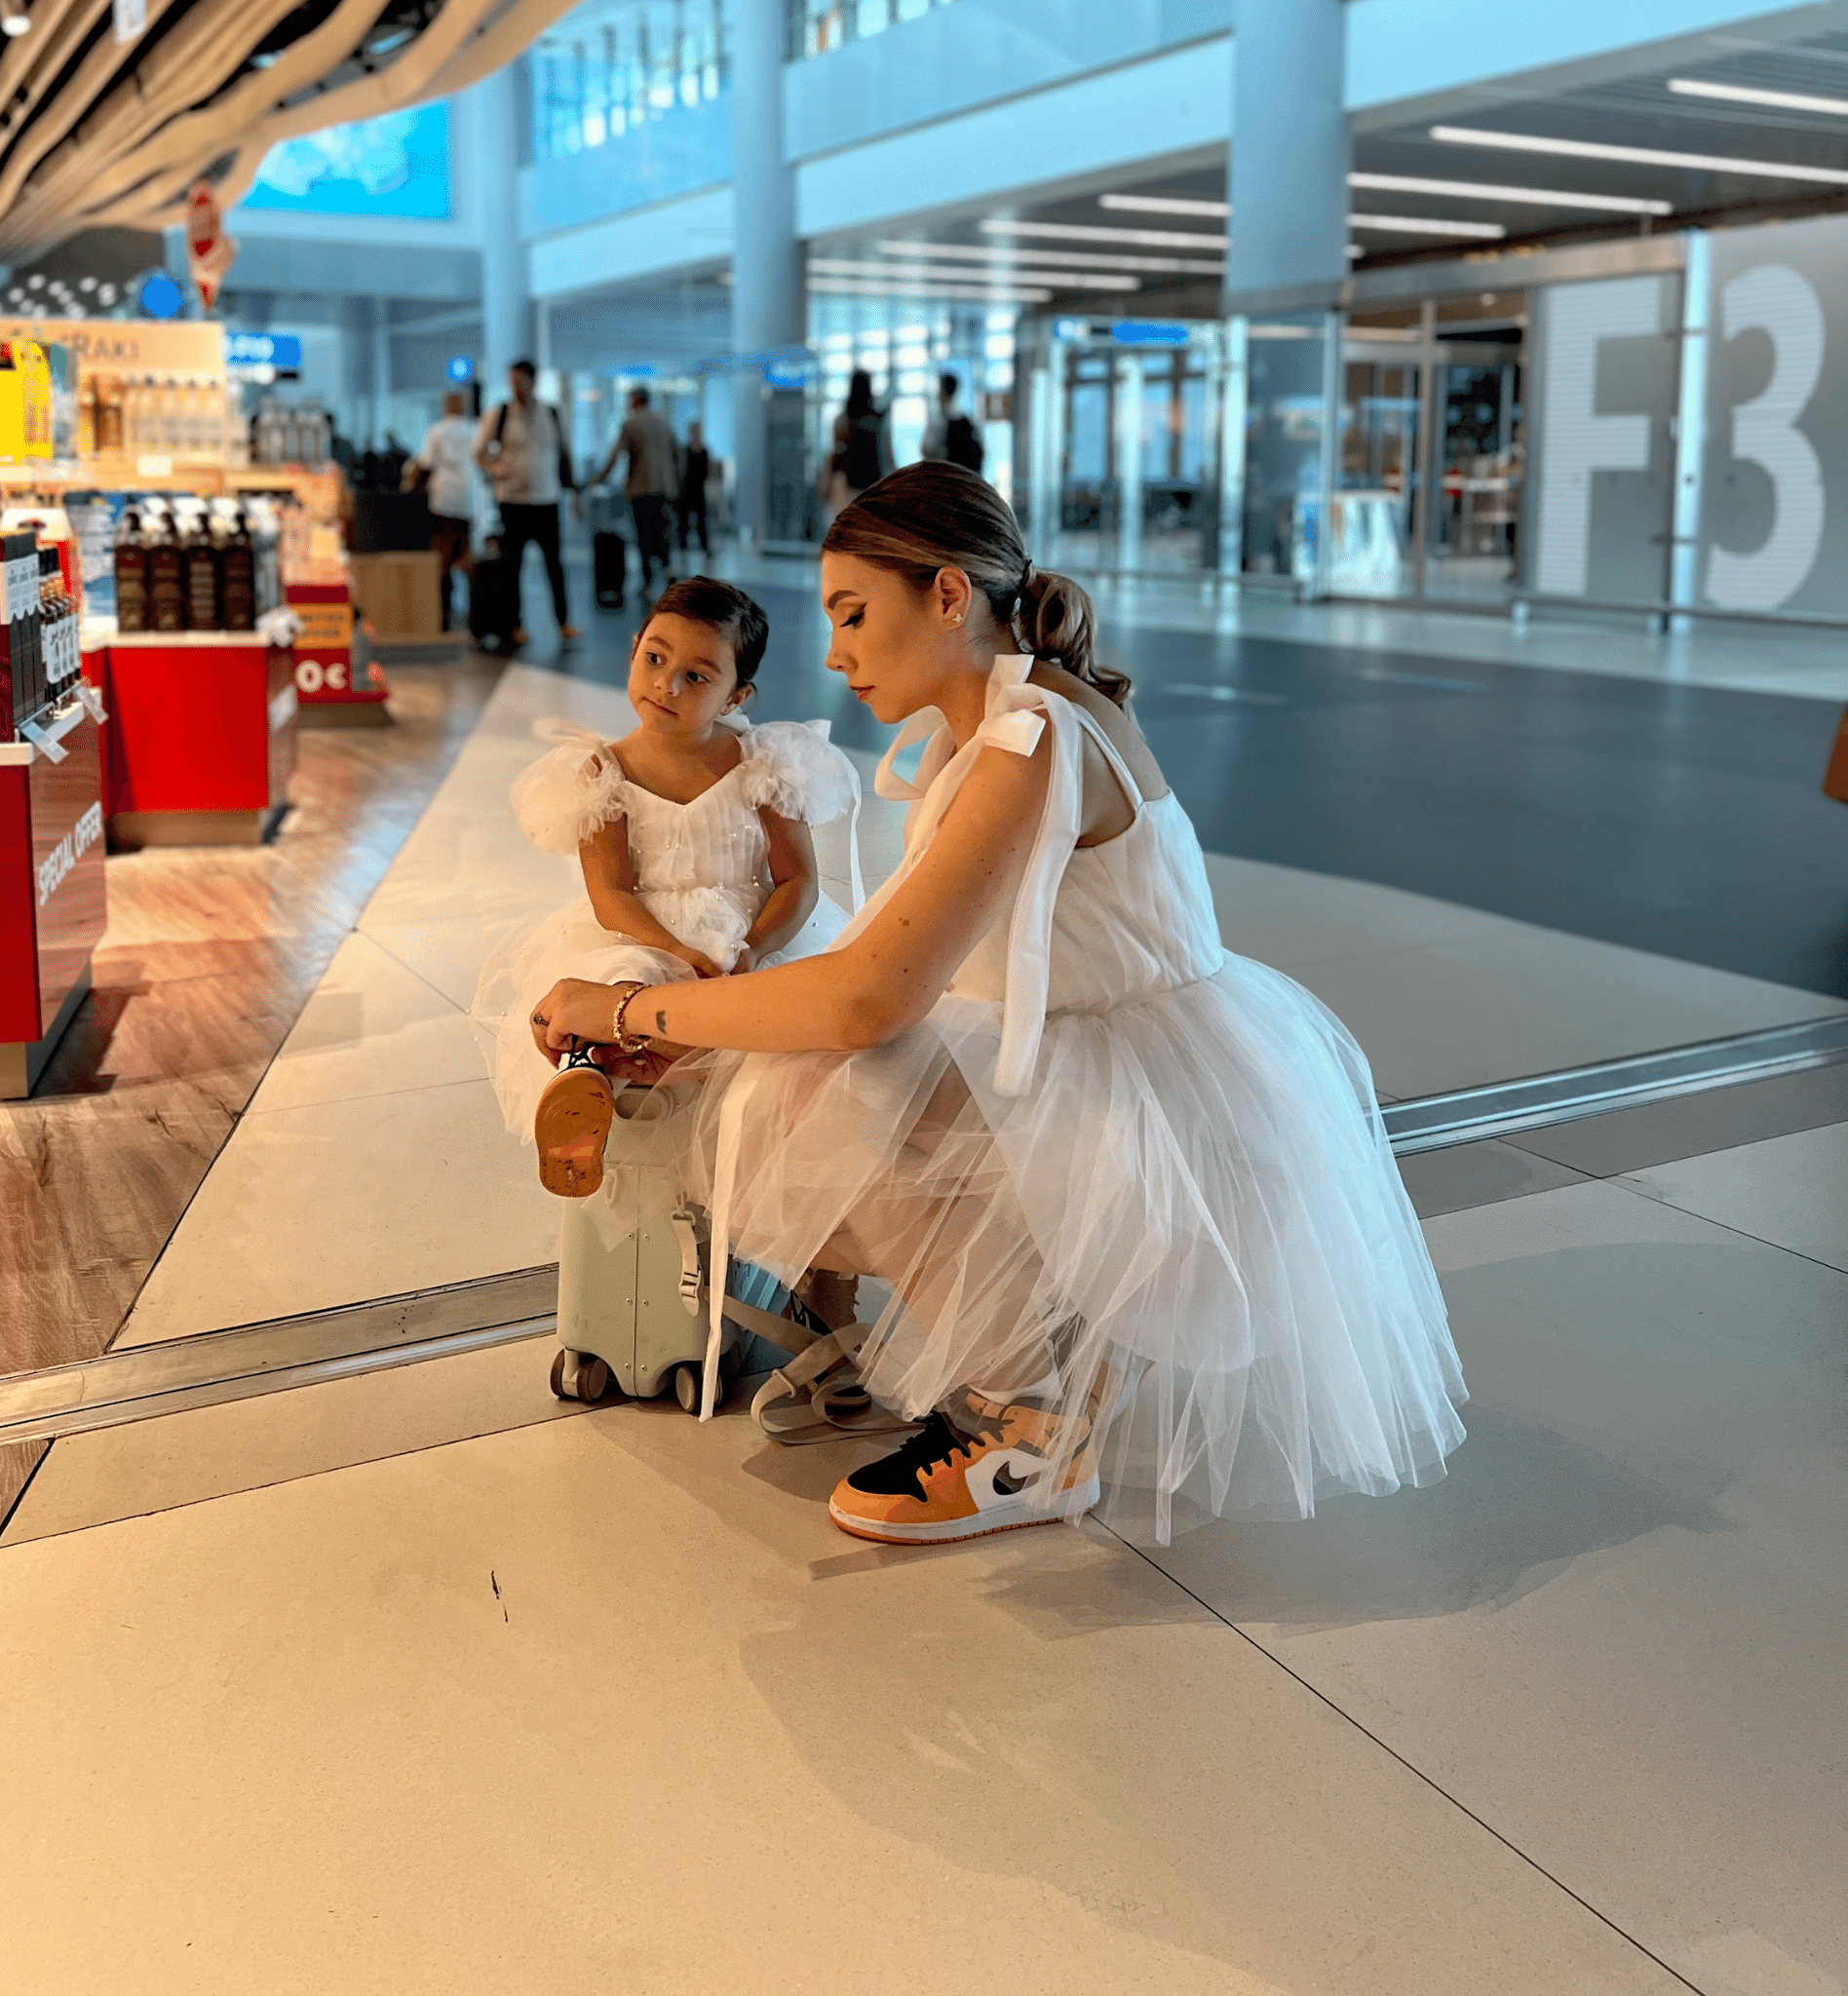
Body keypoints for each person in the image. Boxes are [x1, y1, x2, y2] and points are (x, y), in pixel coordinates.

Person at [528, 462, 1467, 1549]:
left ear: (944, 596)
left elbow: (868, 995)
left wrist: (627, 1013)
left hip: (1142, 1104)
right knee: (781, 1073)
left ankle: (1032, 1414)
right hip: (1087, 1052)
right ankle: (1046, 1330)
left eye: (850, 613)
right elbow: (890, 974)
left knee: (803, 1099)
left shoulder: (1030, 740)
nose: (833, 652)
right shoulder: (1006, 718)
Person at [474, 576, 860, 1196]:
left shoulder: (762, 761)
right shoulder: (604, 772)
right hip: (645, 930)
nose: (666, 684)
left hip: (748, 930)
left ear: (737, 697)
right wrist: (676, 952)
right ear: (633, 651)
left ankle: (746, 1105)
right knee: (618, 978)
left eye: (698, 677)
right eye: (655, 658)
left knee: (795, 1007)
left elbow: (798, 880)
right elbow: (611, 897)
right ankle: (584, 1089)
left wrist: (756, 948)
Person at [475, 359, 582, 650]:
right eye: (512, 381)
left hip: (547, 499)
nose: (516, 387)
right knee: (513, 567)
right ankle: (515, 624)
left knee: (554, 565)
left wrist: (574, 495)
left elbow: (565, 454)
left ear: (533, 382)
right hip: (512, 500)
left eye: (521, 381)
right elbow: (479, 452)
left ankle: (563, 622)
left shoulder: (552, 413)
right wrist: (494, 468)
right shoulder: (500, 414)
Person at [594, 387, 680, 595]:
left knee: (644, 534)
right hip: (663, 488)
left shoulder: (631, 423)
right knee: (661, 530)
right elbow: (676, 453)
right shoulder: (663, 421)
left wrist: (598, 478)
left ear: (635, 401)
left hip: (641, 488)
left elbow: (616, 456)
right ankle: (668, 571)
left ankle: (648, 580)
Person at [407, 389, 476, 632]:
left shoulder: (438, 430)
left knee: (442, 558)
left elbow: (426, 463)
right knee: (465, 556)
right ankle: (473, 614)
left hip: (443, 500)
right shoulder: (472, 430)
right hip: (467, 501)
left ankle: (443, 612)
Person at [820, 368, 894, 524]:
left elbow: (837, 452)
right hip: (875, 486)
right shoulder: (878, 421)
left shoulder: (843, 420)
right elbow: (888, 455)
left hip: (848, 484)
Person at [677, 421, 713, 555]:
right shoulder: (685, 450)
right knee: (684, 522)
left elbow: (706, 472)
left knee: (702, 522)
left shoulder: (704, 451)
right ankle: (682, 546)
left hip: (699, 490)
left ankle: (705, 547)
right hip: (687, 489)